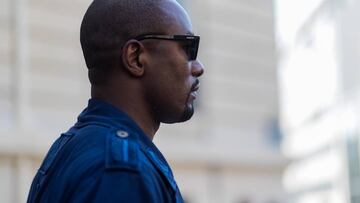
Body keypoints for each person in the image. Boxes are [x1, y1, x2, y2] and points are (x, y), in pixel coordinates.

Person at [26, 0, 204, 202]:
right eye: (188, 48)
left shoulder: (74, 147)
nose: (198, 67)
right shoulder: (123, 173)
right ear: (135, 58)